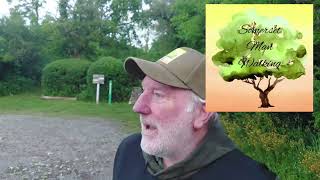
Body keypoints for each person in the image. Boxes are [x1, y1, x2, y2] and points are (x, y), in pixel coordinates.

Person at [113, 47, 277, 180]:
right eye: (143, 90)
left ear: (202, 113)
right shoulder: (129, 152)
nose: (138, 106)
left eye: (158, 94)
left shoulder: (247, 175)